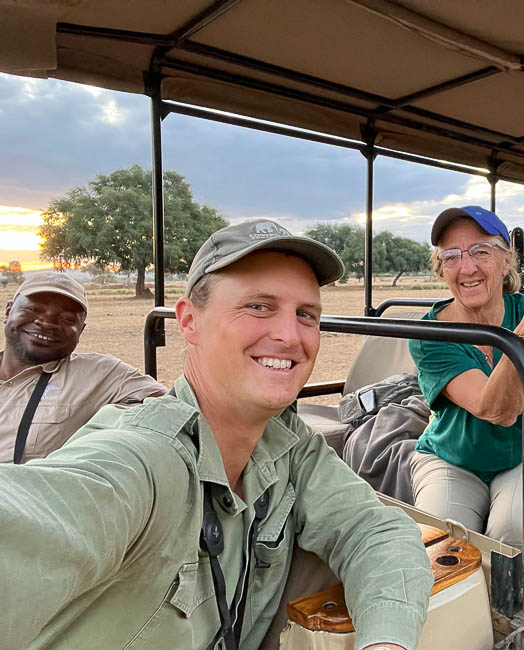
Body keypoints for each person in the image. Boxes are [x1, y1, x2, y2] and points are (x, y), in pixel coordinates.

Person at [0, 220, 432, 649]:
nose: (289, 336)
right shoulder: (144, 461)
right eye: (258, 306)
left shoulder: (288, 444)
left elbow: (375, 531)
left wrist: (386, 641)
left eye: (306, 315)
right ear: (189, 321)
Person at [409, 206, 524, 591]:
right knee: (438, 542)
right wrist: (522, 341)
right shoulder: (429, 333)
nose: (467, 267)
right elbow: (496, 410)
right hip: (453, 456)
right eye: (451, 256)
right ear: (440, 269)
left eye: (481, 251)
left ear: (508, 260)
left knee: (517, 528)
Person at [1, 271, 165, 463]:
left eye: (67, 319)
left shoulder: (100, 374)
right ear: (8, 311)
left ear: (81, 330)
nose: (47, 322)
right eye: (33, 309)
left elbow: (171, 408)